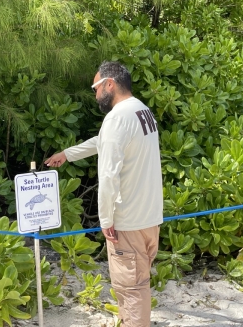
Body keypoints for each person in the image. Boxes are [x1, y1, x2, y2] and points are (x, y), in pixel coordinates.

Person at [44, 61, 163, 327]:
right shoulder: (142, 111)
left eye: (95, 87)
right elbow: (102, 142)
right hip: (150, 218)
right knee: (138, 285)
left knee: (130, 290)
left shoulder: (117, 117)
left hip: (127, 222)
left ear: (109, 84)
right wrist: (68, 154)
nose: (95, 94)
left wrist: (105, 220)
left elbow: (108, 176)